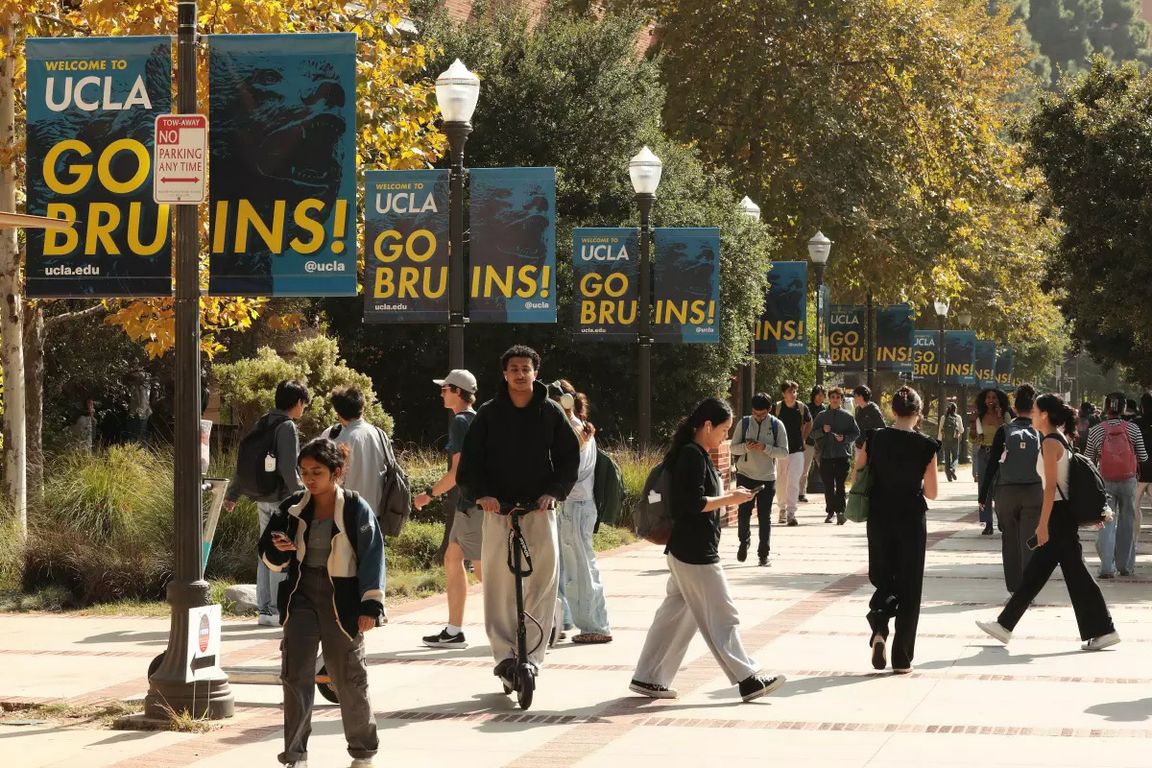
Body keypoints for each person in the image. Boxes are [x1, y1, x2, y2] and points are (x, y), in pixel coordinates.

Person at [629, 397, 787, 702]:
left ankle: (647, 678)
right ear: (706, 426)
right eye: (723, 431)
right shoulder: (692, 455)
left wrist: (730, 494)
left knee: (674, 618)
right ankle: (748, 679)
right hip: (695, 551)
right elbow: (692, 504)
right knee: (723, 615)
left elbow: (693, 499)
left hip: (685, 550)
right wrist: (732, 499)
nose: (725, 438)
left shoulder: (691, 453)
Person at [456, 345, 580, 688]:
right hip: (499, 512)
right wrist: (482, 495)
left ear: (535, 373)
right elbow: (470, 463)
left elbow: (570, 459)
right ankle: (505, 656)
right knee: (498, 584)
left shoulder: (551, 412)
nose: (520, 374)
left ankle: (534, 656)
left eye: (526, 368)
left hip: (539, 510)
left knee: (543, 581)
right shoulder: (488, 413)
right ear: (504, 374)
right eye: (514, 368)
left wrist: (554, 492)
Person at [259, 438, 385, 768]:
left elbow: (373, 557)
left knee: (349, 678)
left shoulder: (357, 508)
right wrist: (279, 550)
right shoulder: (292, 506)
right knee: (295, 676)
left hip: (342, 600)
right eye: (303, 472)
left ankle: (363, 753)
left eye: (317, 472)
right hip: (300, 596)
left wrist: (371, 604)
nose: (309, 479)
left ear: (337, 472)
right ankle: (295, 756)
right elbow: (268, 556)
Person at [976, 394, 1119, 652]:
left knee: (1075, 575)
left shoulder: (1051, 443)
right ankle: (1004, 625)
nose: (1030, 413)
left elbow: (1051, 488)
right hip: (1060, 516)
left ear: (1044, 415)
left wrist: (1043, 524)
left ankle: (1104, 629)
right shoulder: (1055, 439)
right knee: (1037, 574)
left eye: (1034, 409)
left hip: (1059, 516)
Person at [859, 386, 939, 674]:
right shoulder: (927, 445)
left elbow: (859, 469)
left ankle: (880, 625)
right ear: (918, 413)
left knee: (883, 577)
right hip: (911, 518)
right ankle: (902, 657)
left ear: (893, 411)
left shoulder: (875, 437)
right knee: (910, 585)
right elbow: (932, 492)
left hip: (879, 515)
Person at [225, 379, 309, 626]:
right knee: (279, 551)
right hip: (281, 499)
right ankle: (275, 609)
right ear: (297, 402)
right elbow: (287, 468)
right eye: (304, 404)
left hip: (261, 497)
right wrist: (303, 496)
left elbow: (247, 462)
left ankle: (264, 609)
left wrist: (233, 494)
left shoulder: (262, 422)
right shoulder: (286, 427)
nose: (303, 410)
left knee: (266, 550)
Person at [415, 370, 480, 649]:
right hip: (471, 506)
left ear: (457, 391)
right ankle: (454, 630)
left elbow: (456, 472)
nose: (441, 393)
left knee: (486, 572)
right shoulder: (476, 419)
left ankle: (523, 624)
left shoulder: (461, 422)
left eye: (445, 389)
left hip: (473, 508)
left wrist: (428, 495)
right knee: (454, 559)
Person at [549, 379, 612, 643]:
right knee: (563, 568)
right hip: (573, 507)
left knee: (581, 569)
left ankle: (595, 626)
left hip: (575, 507)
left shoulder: (575, 431)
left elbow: (568, 472)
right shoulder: (576, 429)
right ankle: (563, 620)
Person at [978, 384, 1042, 594]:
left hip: (1006, 493)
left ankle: (1014, 587)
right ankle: (1028, 588)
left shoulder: (1004, 431)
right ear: (1034, 407)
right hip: (1033, 492)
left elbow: (992, 466)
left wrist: (983, 494)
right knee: (1029, 541)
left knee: (1010, 540)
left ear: (1015, 406)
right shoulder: (1040, 433)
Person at [1084, 392, 1148, 578]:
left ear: (1106, 407)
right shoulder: (1133, 429)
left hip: (1105, 482)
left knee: (1106, 522)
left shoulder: (1096, 430)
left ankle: (1106, 567)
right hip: (1128, 481)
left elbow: (1089, 459)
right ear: (1124, 408)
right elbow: (1143, 457)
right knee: (1127, 521)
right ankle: (1125, 566)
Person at [729, 392, 789, 565]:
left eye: (762, 414)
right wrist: (746, 447)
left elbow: (784, 452)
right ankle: (743, 542)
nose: (758, 417)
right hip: (745, 474)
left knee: (765, 516)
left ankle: (763, 554)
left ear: (769, 410)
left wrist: (766, 448)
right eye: (755, 413)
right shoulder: (745, 422)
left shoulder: (777, 425)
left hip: (767, 477)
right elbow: (733, 448)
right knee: (744, 513)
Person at [811, 387, 860, 525]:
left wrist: (844, 438)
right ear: (829, 398)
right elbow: (812, 434)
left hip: (842, 455)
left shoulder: (848, 416)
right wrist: (822, 430)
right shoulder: (821, 416)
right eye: (832, 397)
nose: (835, 400)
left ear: (841, 399)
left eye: (837, 397)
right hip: (825, 455)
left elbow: (856, 433)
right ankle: (830, 512)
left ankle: (840, 512)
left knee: (840, 484)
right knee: (828, 485)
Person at [774, 380, 812, 526]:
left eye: (795, 391)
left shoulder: (801, 407)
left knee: (794, 480)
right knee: (781, 480)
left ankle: (791, 512)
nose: (793, 394)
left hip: (797, 449)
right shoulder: (777, 408)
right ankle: (781, 509)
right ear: (784, 393)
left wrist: (804, 438)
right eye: (790, 391)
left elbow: (809, 423)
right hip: (780, 449)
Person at [973, 388, 1011, 534]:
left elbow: (1009, 433)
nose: (991, 400)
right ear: (984, 400)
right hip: (984, 453)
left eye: (994, 397)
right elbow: (976, 438)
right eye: (988, 397)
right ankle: (988, 523)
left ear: (999, 399)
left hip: (1001, 456)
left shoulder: (1005, 415)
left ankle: (1002, 520)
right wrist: (974, 434)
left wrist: (1000, 416)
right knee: (984, 488)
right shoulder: (980, 416)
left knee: (1000, 489)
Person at [802, 385, 827, 503]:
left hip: (821, 444)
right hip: (808, 443)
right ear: (814, 395)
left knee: (825, 469)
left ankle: (829, 493)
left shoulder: (825, 409)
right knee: (804, 470)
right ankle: (801, 493)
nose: (820, 397)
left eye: (822, 395)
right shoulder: (807, 408)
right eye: (818, 394)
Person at [1136, 393, 1152, 521]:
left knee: (1134, 506)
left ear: (1142, 407)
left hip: (1139, 471)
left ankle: (1133, 540)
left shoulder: (1135, 424)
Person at [124, 370, 152, 443]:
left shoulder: (144, 388)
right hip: (135, 414)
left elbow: (142, 403)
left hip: (142, 414)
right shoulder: (133, 388)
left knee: (140, 434)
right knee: (132, 434)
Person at [937, 403, 962, 482]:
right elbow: (961, 430)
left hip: (945, 440)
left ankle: (948, 476)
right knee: (955, 457)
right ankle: (952, 468)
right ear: (955, 409)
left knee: (947, 457)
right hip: (955, 439)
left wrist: (939, 440)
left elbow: (940, 429)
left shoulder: (943, 417)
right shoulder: (957, 417)